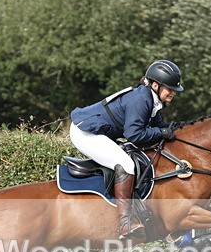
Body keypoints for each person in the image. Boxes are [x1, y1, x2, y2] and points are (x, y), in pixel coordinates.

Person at [69, 60, 184, 239]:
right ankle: (125, 223)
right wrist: (161, 131)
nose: (173, 93)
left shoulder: (151, 99)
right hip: (85, 132)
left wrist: (180, 129)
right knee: (125, 164)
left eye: (174, 90)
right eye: (170, 89)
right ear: (155, 85)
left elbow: (161, 127)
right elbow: (135, 135)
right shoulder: (141, 99)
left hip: (100, 132)